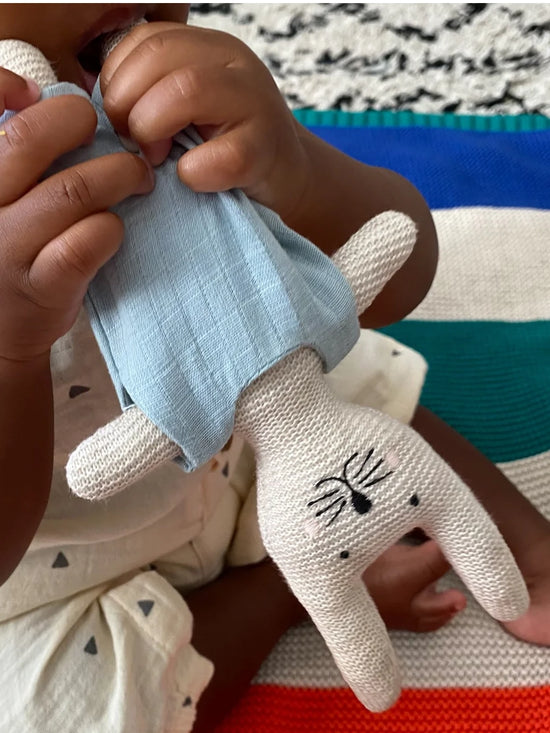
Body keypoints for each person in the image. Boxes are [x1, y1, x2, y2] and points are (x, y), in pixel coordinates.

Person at [0, 4, 548, 732]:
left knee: (331, 358)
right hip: (70, 561)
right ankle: (286, 588)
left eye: (100, 49)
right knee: (55, 711)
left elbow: (400, 270)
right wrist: (12, 348)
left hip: (257, 429)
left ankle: (526, 545)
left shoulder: (182, 116)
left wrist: (294, 165)